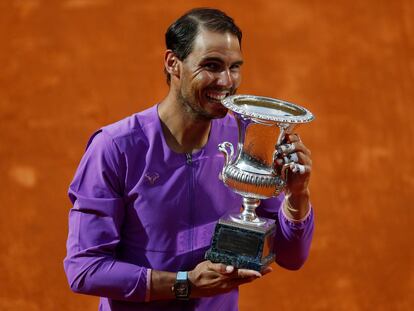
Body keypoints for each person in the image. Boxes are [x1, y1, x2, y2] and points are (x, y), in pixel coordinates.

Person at [64, 7, 314, 311]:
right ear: (173, 64)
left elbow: (291, 256)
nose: (226, 81)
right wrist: (184, 284)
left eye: (234, 67)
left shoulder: (245, 136)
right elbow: (85, 269)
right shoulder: (115, 148)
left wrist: (297, 195)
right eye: (211, 65)